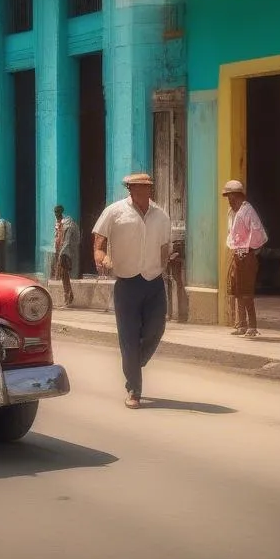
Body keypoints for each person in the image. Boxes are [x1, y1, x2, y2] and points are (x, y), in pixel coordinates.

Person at [93, 173, 172, 409]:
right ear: (129, 189)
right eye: (136, 187)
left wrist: (166, 266)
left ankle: (136, 361)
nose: (141, 191)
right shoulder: (114, 212)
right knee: (128, 338)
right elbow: (99, 240)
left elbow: (165, 246)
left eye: (145, 187)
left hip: (154, 280)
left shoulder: (161, 215)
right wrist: (102, 257)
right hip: (127, 282)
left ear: (150, 189)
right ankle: (134, 389)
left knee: (156, 329)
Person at [223, 180, 268, 337]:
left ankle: (252, 326)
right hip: (237, 254)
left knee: (247, 291)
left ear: (238, 196)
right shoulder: (232, 213)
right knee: (237, 290)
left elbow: (257, 232)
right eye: (228, 196)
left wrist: (249, 249)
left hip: (247, 255)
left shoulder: (248, 211)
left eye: (231, 196)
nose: (229, 200)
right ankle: (241, 325)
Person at [52, 205, 78, 307]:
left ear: (61, 212)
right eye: (55, 211)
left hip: (65, 251)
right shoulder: (58, 223)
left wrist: (62, 252)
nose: (56, 213)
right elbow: (56, 237)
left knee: (64, 274)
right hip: (59, 250)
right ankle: (68, 296)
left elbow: (66, 240)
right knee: (63, 275)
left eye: (58, 211)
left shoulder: (67, 223)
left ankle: (68, 297)